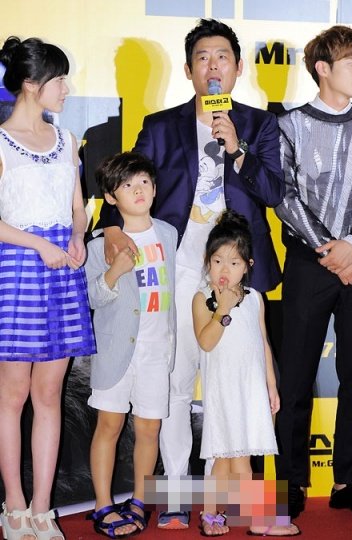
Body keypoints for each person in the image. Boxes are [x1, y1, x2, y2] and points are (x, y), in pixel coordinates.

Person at [97, 18, 284, 529]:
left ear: (238, 68)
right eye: (203, 57)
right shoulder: (161, 126)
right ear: (188, 69)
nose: (213, 66)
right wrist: (110, 228)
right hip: (177, 268)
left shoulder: (260, 125)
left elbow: (274, 192)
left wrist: (238, 150)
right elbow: (126, 186)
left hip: (238, 273)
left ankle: (242, 505)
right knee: (177, 385)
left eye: (222, 57)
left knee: (241, 386)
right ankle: (177, 495)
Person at [274, 25, 352, 519]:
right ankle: (291, 481)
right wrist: (330, 251)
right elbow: (284, 197)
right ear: (323, 69)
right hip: (309, 263)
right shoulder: (288, 126)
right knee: (296, 375)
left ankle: (349, 481)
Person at [0, 36, 96, 540]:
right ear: (32, 85)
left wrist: (77, 236)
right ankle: (14, 506)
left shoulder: (67, 139)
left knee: (50, 393)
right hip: (17, 271)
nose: (66, 88)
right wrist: (38, 244)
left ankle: (42, 508)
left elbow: (78, 208)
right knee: (13, 395)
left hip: (62, 273)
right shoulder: (0, 142)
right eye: (59, 79)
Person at [85, 152, 177, 537]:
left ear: (155, 189)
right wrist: (114, 272)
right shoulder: (98, 245)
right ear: (111, 197)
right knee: (109, 425)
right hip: (115, 352)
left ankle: (140, 501)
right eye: (127, 185)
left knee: (149, 429)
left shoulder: (169, 234)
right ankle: (102, 505)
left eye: (144, 182)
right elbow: (92, 298)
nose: (138, 190)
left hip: (157, 351)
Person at [192, 209, 299, 537]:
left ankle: (212, 514)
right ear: (207, 262)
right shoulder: (202, 298)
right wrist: (223, 310)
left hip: (250, 389)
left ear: (248, 266)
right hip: (223, 389)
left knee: (232, 457)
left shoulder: (255, 299)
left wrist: (271, 385)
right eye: (218, 261)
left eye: (234, 262)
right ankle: (255, 519)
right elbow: (206, 342)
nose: (225, 269)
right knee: (233, 458)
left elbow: (263, 342)